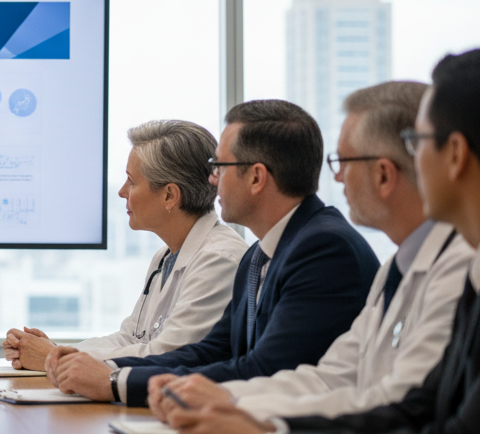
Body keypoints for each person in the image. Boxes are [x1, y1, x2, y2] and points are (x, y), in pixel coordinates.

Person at [166, 49, 480, 434]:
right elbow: (348, 381)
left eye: (418, 141)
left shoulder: (340, 248)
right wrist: (239, 414)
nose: (336, 178)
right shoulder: (402, 264)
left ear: (452, 154)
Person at [152, 82, 472, 421]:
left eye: (344, 161)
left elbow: (397, 403)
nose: (336, 177)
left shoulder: (332, 249)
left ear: (383, 174)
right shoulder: (396, 266)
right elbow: (331, 377)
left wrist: (244, 422)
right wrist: (223, 400)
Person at [46, 99, 379, 406]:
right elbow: (210, 352)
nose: (212, 179)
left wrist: (115, 381)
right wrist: (108, 373)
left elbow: (266, 369)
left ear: (256, 177)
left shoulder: (324, 250)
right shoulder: (259, 255)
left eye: (220, 166)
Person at [3, 120, 247, 371]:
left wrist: (54, 359)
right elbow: (131, 338)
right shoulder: (165, 255)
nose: (121, 191)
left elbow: (167, 355)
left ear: (169, 196)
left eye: (131, 181)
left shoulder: (219, 260)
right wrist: (58, 351)